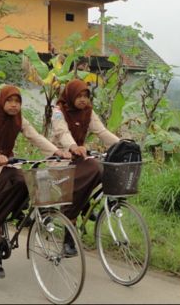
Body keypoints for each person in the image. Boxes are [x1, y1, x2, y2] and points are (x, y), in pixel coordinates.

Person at [0, 85, 70, 279]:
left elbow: (35, 136)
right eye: (10, 101)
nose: (13, 105)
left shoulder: (19, 119)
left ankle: (17, 210)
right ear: (2, 100)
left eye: (17, 102)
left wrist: (56, 152)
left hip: (9, 164)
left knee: (27, 179)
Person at [50, 79, 119, 256]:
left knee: (100, 169)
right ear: (71, 96)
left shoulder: (88, 112)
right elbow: (62, 133)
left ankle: (85, 205)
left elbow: (101, 132)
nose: (82, 100)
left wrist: (122, 144)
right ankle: (68, 240)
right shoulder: (59, 111)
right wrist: (73, 146)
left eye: (86, 96)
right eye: (79, 96)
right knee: (75, 191)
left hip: (79, 156)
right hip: (60, 158)